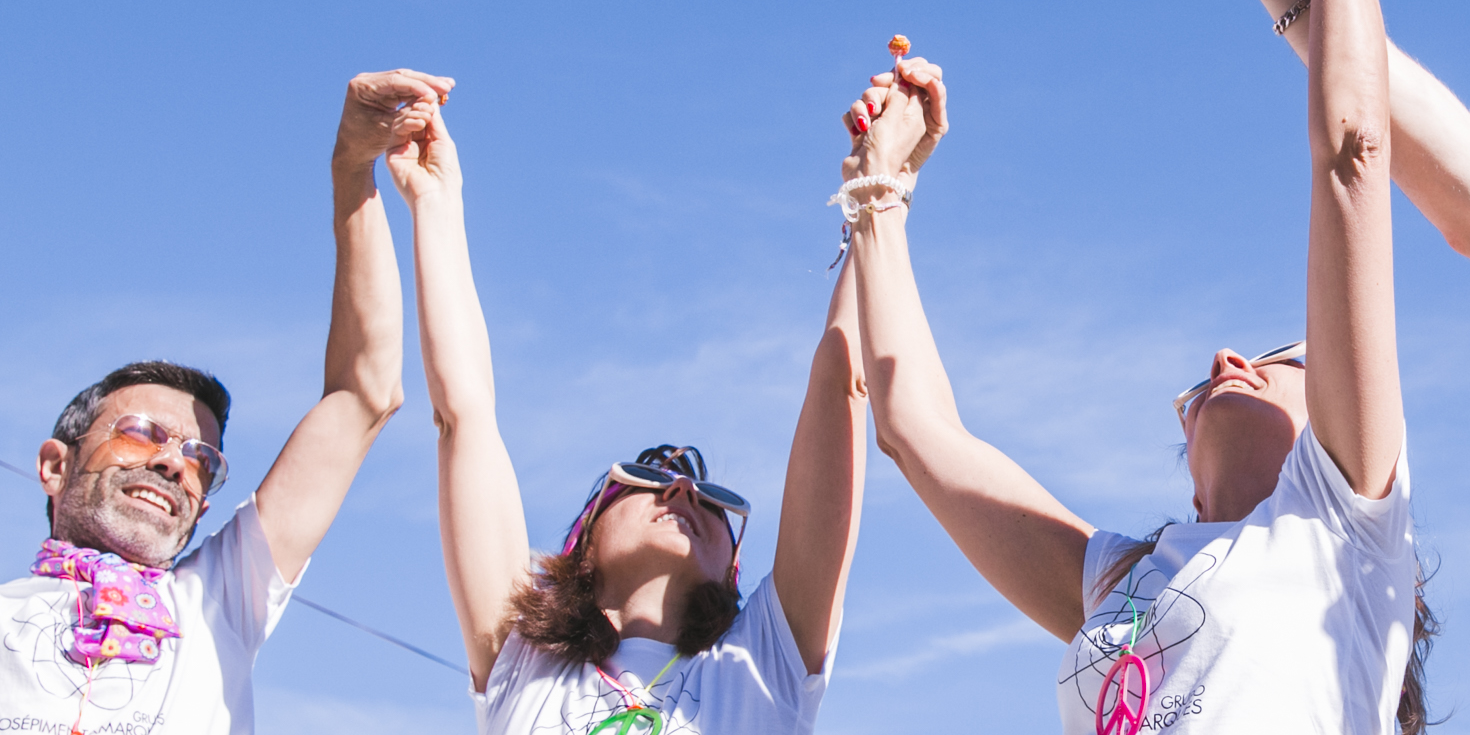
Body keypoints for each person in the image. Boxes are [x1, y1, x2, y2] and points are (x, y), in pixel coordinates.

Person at [840, 0, 1462, 732]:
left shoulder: (1343, 524)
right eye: (1200, 388)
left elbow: (1352, 149)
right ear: (1192, 491)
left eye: (1276, 357)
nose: (1227, 359)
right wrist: (879, 188)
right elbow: (916, 429)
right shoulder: (1124, 582)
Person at [388, 83, 868, 734]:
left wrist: (876, 192)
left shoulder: (765, 660)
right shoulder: (525, 663)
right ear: (584, 544)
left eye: (710, 493)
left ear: (731, 569)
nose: (681, 488)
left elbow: (841, 382)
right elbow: (462, 415)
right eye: (643, 479)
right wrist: (435, 201)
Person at [0, 69, 447, 734]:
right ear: (54, 464)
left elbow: (365, 392)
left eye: (200, 456)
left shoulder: (218, 601)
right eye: (143, 430)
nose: (173, 462)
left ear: (204, 504)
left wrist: (352, 169)